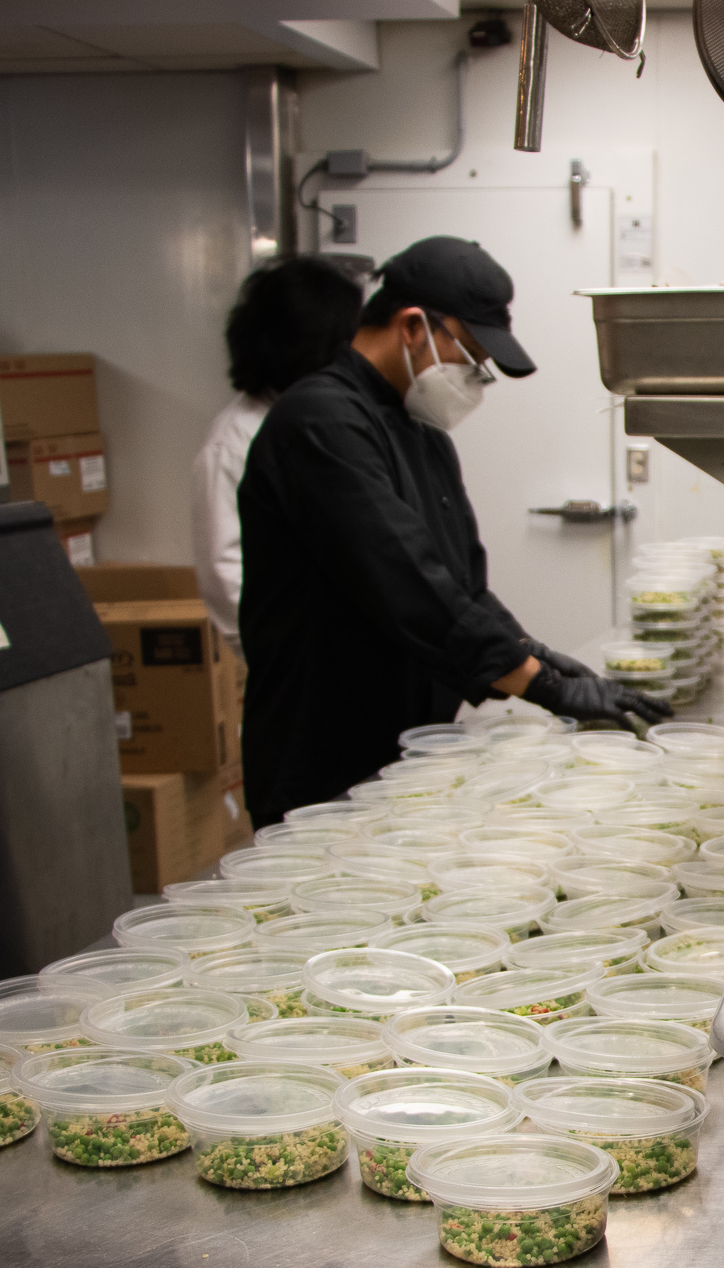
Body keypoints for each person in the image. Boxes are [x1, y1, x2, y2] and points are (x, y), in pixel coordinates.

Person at [237, 235, 670, 827]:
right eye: (469, 359)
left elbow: (460, 586)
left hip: (405, 748)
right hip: (324, 752)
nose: (473, 380)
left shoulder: (421, 432)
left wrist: (536, 654)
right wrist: (539, 685)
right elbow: (405, 579)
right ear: (413, 326)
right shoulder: (320, 421)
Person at [191, 258, 360, 651]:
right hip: (296, 664)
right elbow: (226, 579)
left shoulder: (327, 419)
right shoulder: (234, 443)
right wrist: (293, 657)